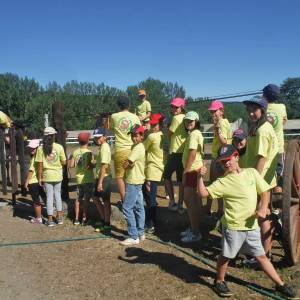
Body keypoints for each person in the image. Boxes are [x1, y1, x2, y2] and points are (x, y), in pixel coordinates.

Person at [197, 145, 298, 299]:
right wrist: (199, 177)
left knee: (261, 256)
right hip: (233, 228)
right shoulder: (222, 182)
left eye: (229, 159)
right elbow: (203, 193)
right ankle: (219, 280)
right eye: (223, 162)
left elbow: (264, 192)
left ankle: (280, 284)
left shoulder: (251, 173)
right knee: (226, 256)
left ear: (236, 157)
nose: (227, 164)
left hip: (251, 227)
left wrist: (263, 208)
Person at [243, 96, 278, 257]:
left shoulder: (263, 131)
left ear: (262, 111)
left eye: (254, 110)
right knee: (263, 213)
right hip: (262, 177)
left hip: (260, 178)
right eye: (249, 110)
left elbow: (262, 158)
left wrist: (255, 181)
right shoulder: (259, 126)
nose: (251, 114)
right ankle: (264, 251)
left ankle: (264, 253)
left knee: (261, 214)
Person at [110, 96, 140, 205]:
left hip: (120, 149)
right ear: (129, 105)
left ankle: (125, 201)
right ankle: (135, 200)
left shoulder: (114, 116)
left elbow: (108, 127)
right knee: (131, 177)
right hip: (133, 149)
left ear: (118, 105)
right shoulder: (135, 117)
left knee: (120, 176)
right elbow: (139, 131)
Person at [120, 124, 146, 246]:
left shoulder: (137, 148)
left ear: (142, 136)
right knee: (139, 207)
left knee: (127, 207)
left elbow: (126, 164)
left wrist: (126, 163)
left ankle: (133, 236)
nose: (133, 138)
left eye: (136, 135)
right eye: (132, 135)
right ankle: (140, 233)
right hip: (138, 180)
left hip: (133, 181)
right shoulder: (138, 146)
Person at [36, 127, 66, 227]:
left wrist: (40, 177)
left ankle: (50, 220)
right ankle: (60, 218)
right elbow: (64, 161)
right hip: (58, 175)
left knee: (49, 197)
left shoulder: (40, 148)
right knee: (58, 195)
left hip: (47, 176)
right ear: (53, 136)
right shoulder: (59, 147)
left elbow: (40, 164)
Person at [181, 111, 204, 242]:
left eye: (191, 121)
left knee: (189, 201)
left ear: (196, 122)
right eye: (187, 120)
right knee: (193, 202)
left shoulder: (194, 134)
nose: (189, 122)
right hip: (194, 170)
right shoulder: (194, 134)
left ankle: (195, 233)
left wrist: (185, 172)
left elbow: (192, 154)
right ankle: (194, 228)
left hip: (192, 171)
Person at [207, 100, 232, 216]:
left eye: (214, 111)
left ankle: (220, 210)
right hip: (219, 157)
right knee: (216, 183)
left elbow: (225, 142)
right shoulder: (224, 122)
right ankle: (216, 209)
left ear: (221, 111)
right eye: (211, 111)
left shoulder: (221, 123)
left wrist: (217, 130)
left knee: (217, 185)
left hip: (219, 158)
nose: (212, 113)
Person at [163, 97, 187, 213]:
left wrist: (166, 126)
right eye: (172, 106)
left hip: (175, 151)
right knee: (181, 180)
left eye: (176, 107)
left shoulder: (176, 118)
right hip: (183, 152)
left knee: (166, 176)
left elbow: (169, 134)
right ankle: (180, 204)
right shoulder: (186, 118)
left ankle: (172, 201)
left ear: (181, 108)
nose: (174, 109)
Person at [143, 113, 165, 233]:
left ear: (159, 124)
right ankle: (153, 222)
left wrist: (145, 132)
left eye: (155, 124)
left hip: (152, 169)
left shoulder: (152, 137)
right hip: (159, 168)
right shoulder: (162, 135)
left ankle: (150, 224)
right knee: (151, 196)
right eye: (152, 124)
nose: (153, 126)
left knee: (150, 198)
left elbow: (143, 148)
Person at [263, 84, 287, 193]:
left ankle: (265, 203)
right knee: (279, 175)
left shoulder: (262, 108)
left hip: (265, 148)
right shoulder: (282, 107)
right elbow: (283, 121)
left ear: (264, 95)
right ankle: (277, 200)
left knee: (265, 174)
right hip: (278, 148)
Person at [68, 132, 94, 225]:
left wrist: (70, 158)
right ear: (88, 141)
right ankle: (84, 218)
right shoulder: (89, 152)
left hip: (79, 179)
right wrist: (94, 164)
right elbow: (90, 167)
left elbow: (71, 165)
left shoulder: (75, 152)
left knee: (78, 199)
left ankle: (76, 219)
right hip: (88, 178)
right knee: (86, 199)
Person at [92, 128, 112, 232]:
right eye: (95, 137)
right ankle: (103, 218)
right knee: (95, 198)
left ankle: (107, 222)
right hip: (100, 177)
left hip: (104, 178)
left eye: (99, 137)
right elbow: (101, 164)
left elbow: (105, 165)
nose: (97, 139)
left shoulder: (105, 147)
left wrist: (100, 182)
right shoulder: (102, 147)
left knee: (106, 201)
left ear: (104, 136)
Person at [24, 139, 45, 224]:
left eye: (33, 148)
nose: (31, 150)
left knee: (36, 201)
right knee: (43, 195)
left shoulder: (34, 159)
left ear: (38, 148)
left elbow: (31, 171)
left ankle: (39, 218)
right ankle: (50, 209)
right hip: (39, 180)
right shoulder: (40, 157)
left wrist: (26, 181)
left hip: (33, 181)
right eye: (30, 148)